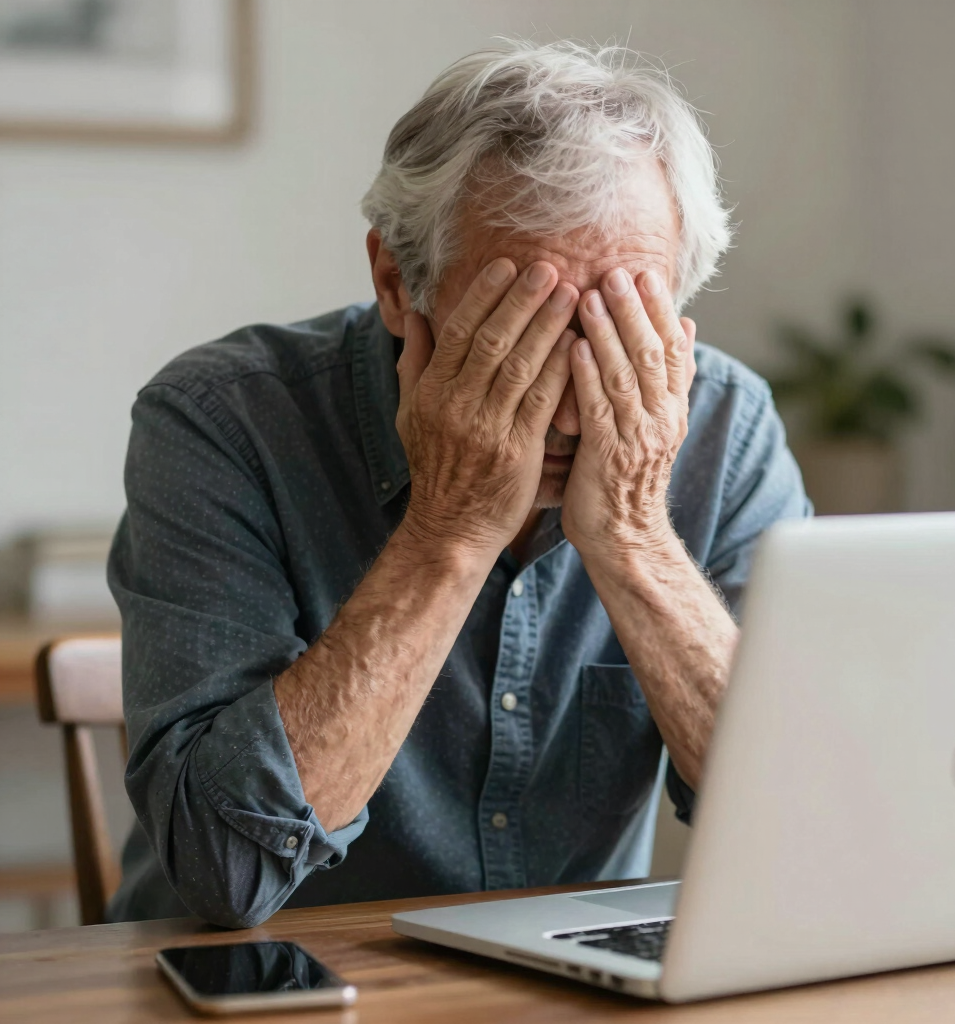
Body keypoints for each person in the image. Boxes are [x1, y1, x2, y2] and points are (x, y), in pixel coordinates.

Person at [108, 40, 810, 927]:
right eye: (517, 337)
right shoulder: (221, 421)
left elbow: (812, 829)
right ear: (399, 285)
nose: (567, 416)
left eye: (620, 332)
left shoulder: (727, 427)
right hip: (268, 983)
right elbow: (222, 872)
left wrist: (634, 538)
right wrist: (448, 532)